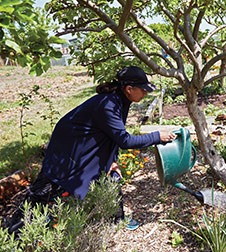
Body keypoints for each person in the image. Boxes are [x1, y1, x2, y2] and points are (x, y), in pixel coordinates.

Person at [6, 66, 176, 234]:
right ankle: (13, 232)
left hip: (87, 145)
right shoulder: (108, 104)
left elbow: (113, 133)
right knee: (44, 190)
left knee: (111, 177)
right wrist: (157, 136)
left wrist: (113, 160)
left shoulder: (122, 100)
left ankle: (116, 220)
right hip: (67, 150)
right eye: (143, 90)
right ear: (129, 89)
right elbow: (124, 140)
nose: (145, 93)